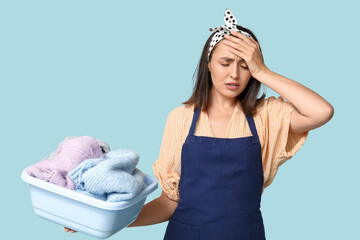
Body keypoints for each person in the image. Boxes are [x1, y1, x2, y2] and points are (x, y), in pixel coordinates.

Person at [65, 8, 334, 239]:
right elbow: (169, 203)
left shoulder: (266, 116)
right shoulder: (181, 118)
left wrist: (263, 71)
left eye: (245, 65)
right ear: (208, 64)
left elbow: (321, 111)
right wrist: (100, 220)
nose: (234, 74)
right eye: (226, 62)